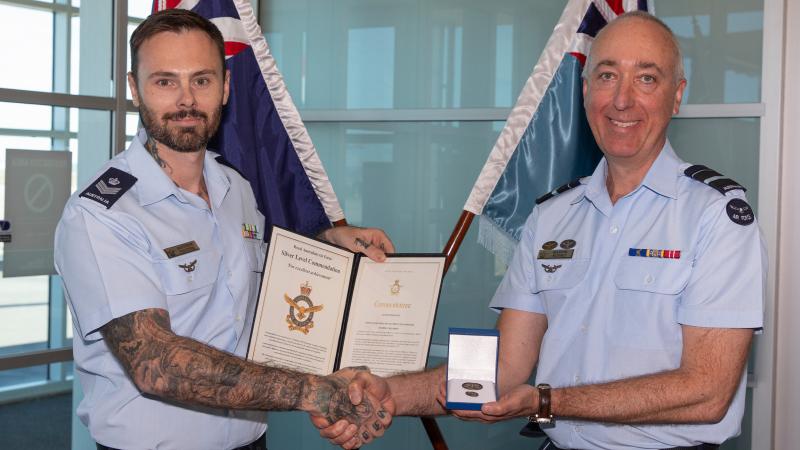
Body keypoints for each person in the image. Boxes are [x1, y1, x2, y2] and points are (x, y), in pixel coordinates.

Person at [317, 11, 766, 450]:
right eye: (607, 76)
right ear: (586, 89)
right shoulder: (553, 216)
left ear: (677, 95)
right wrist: (387, 395)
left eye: (646, 78)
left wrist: (547, 400)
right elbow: (504, 370)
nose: (623, 100)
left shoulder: (716, 215)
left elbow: (708, 392)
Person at [55, 9, 393, 450]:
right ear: (135, 88)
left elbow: (258, 282)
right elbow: (157, 363)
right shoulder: (101, 214)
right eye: (164, 81)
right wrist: (318, 391)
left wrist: (328, 241)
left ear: (226, 87)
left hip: (251, 440)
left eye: (202, 79)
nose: (186, 100)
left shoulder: (235, 187)